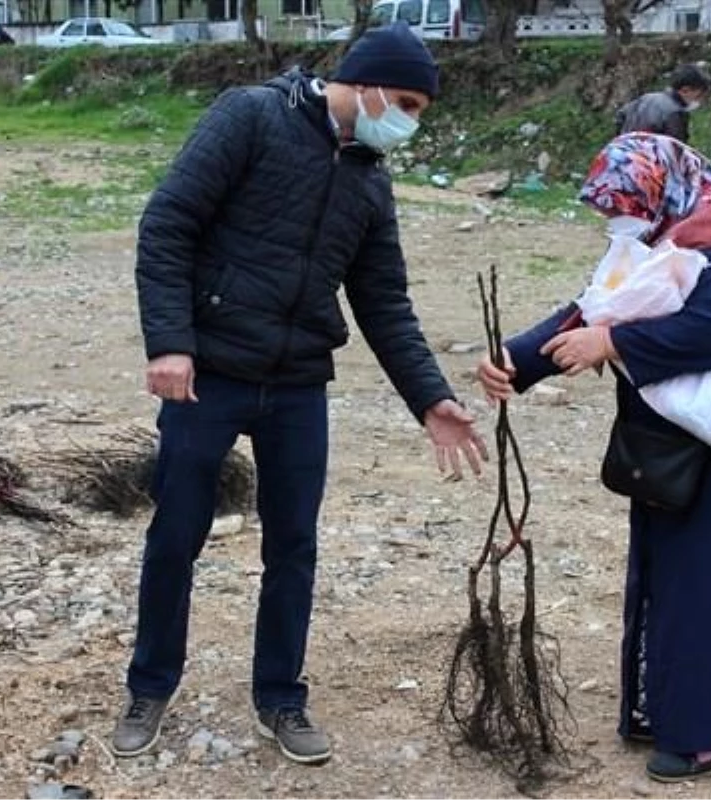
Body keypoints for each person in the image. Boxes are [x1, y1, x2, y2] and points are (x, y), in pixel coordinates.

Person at [115, 22, 487, 766]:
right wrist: (171, 343)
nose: (408, 121)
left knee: (294, 547)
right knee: (177, 535)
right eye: (406, 102)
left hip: (296, 387)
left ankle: (281, 697)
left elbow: (385, 304)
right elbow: (167, 226)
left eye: (419, 111)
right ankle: (150, 685)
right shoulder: (250, 117)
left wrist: (430, 399)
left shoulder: (370, 179)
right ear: (366, 80)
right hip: (208, 377)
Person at [478, 134, 711, 783]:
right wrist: (514, 362)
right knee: (675, 574)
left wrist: (611, 343)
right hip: (681, 438)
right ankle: (674, 707)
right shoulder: (657, 234)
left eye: (625, 205)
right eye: (609, 210)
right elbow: (590, 307)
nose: (617, 222)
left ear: (663, 186)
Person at [614, 63, 711, 142]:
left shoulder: (646, 98)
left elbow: (620, 116)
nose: (699, 100)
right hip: (651, 162)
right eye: (698, 96)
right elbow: (676, 149)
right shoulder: (675, 113)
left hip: (625, 157)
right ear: (685, 90)